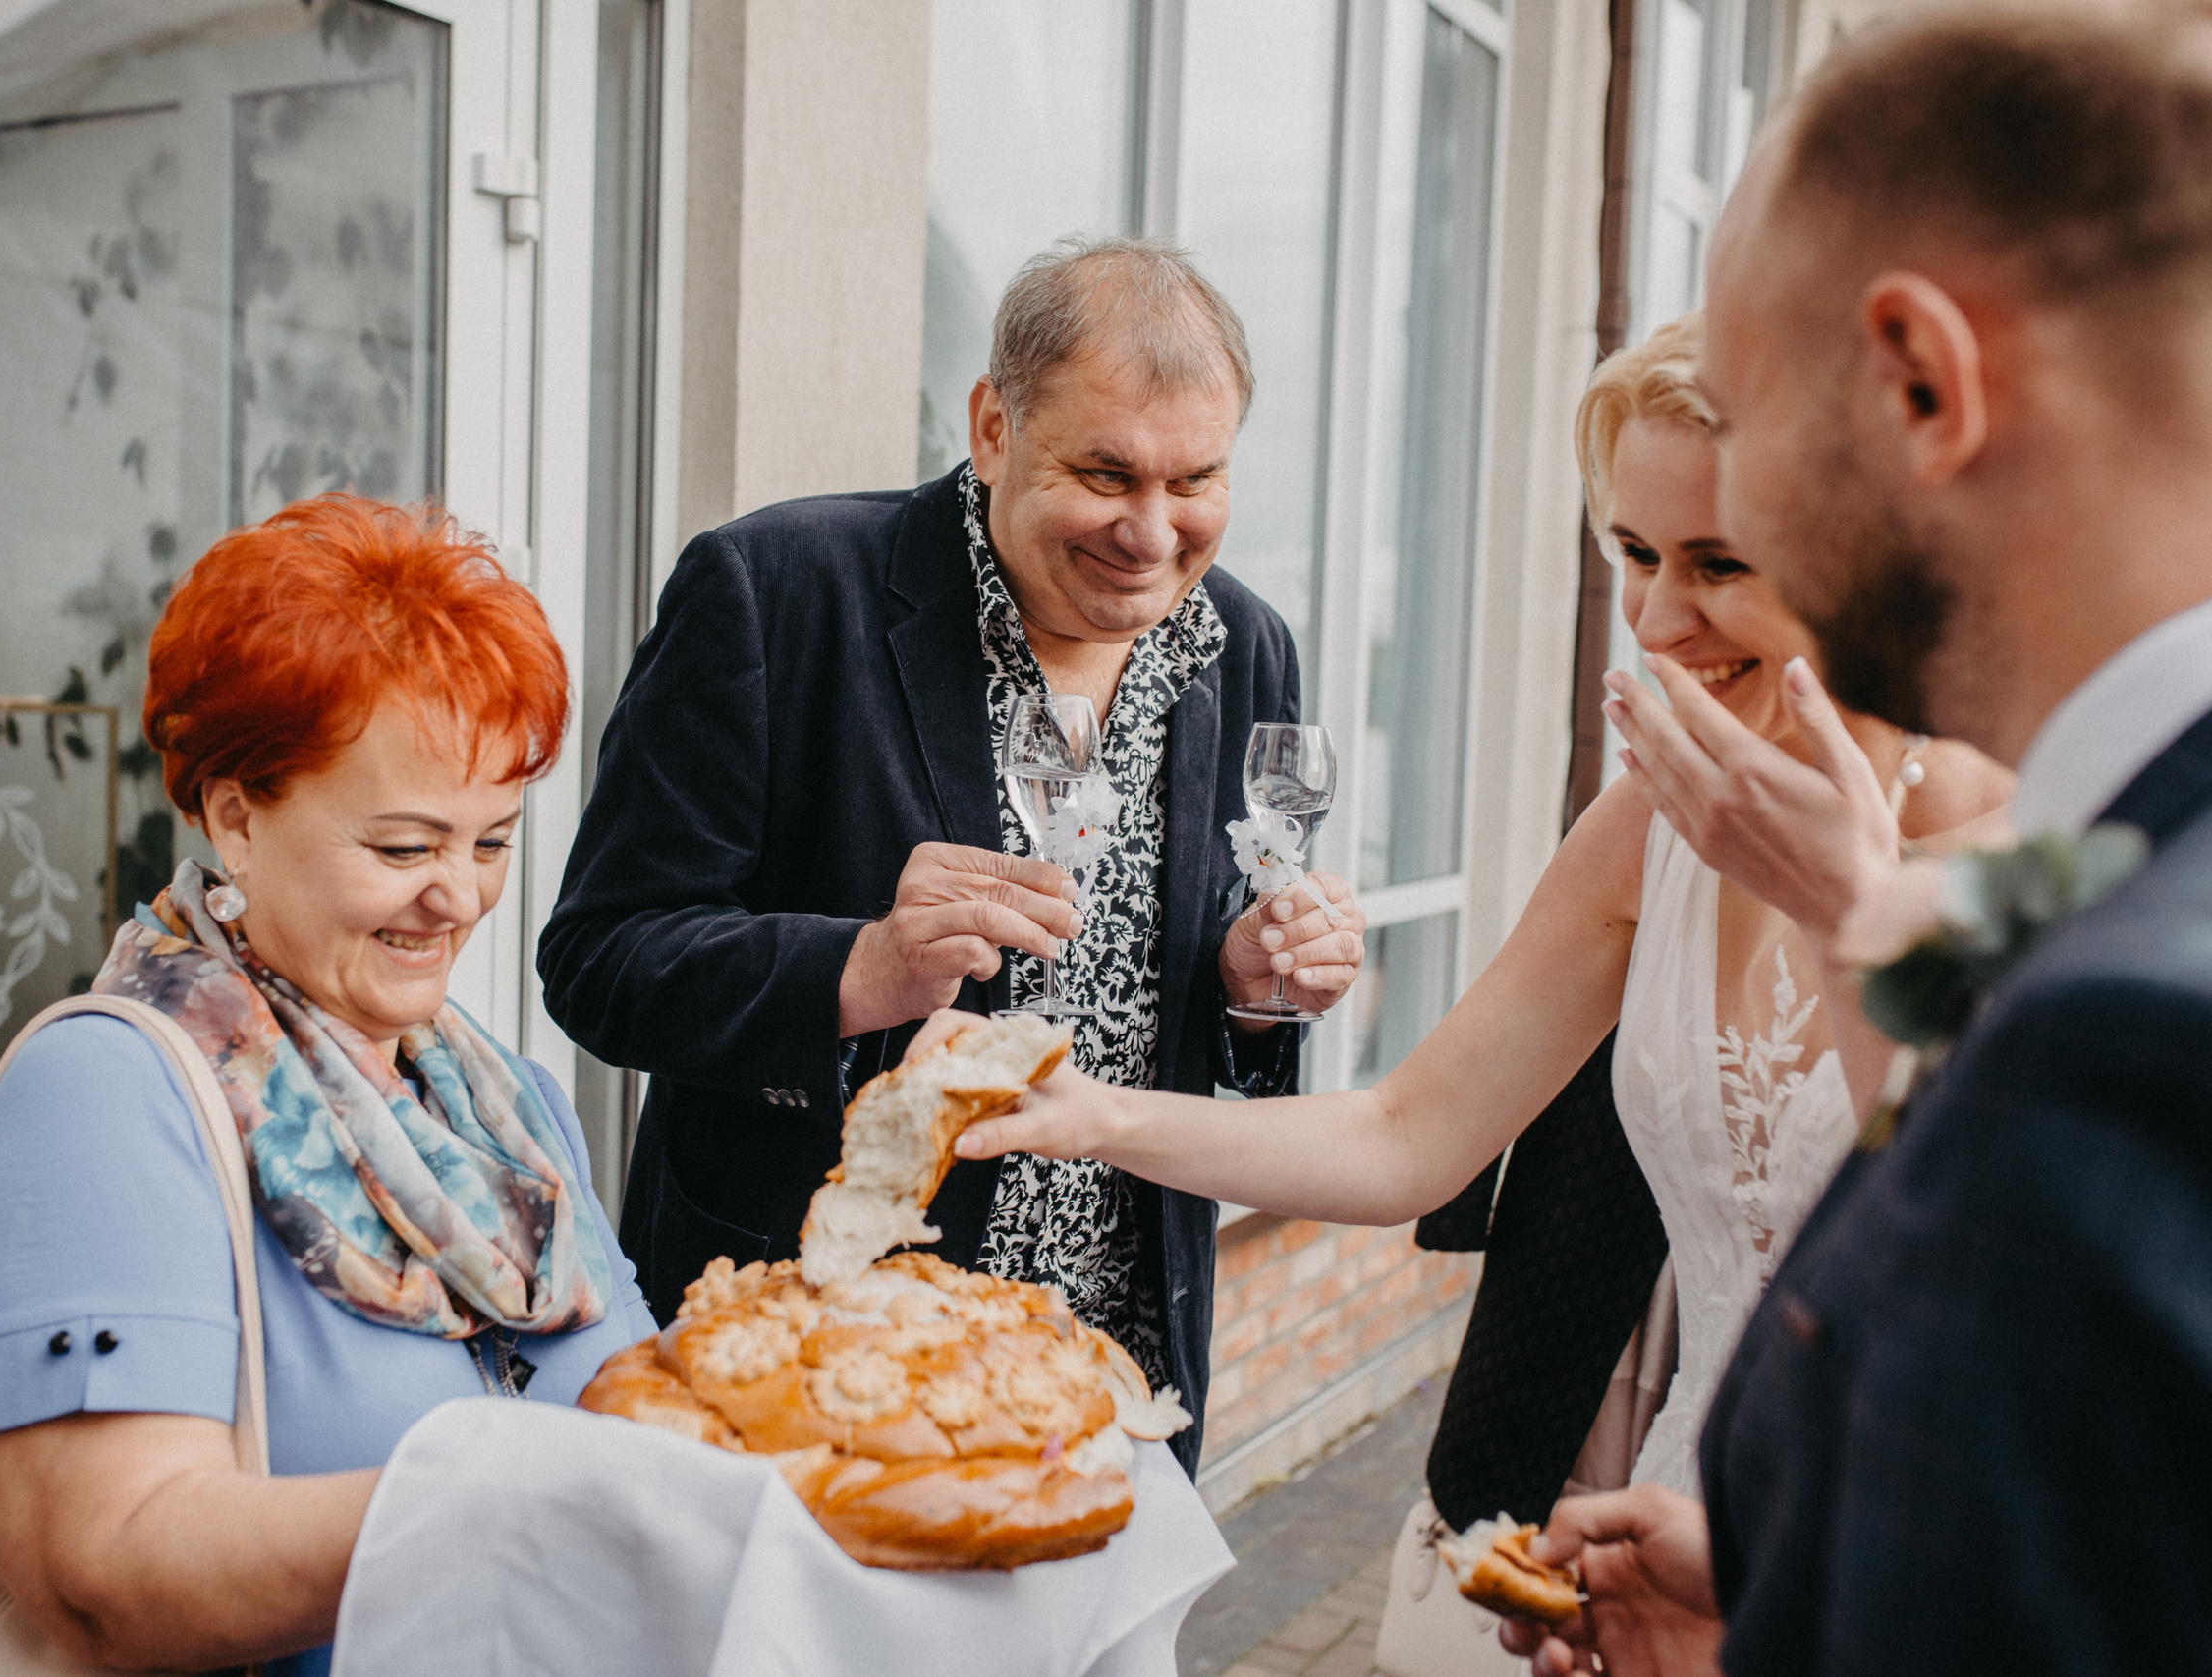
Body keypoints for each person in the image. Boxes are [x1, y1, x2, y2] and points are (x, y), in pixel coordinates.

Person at [930, 311, 2009, 1503]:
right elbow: (1404, 1136)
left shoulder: (2040, 842)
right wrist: (1089, 1114)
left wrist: (1849, 911)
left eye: (1719, 565)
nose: (1657, 624)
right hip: (1683, 1494)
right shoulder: (1645, 825)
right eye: (1635, 553)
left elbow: (2005, 1249)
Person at [1499, 8, 2212, 1674]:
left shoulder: (2125, 1039)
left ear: (1921, 384)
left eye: (1750, 416)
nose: (1680, 593)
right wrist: (1785, 1587)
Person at [537, 236, 1366, 1464]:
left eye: (1195, 480)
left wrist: (1252, 993)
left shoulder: (1247, 645)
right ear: (992, 427)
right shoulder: (774, 589)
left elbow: (1208, 1038)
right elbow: (600, 959)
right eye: (1105, 474)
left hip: (1110, 1380)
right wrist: (855, 968)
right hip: (821, 1359)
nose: (1152, 534)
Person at [0, 495, 656, 1675]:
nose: (459, 897)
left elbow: (654, 1425)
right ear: (236, 819)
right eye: (404, 847)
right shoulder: (108, 1092)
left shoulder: (510, 1108)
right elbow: (107, 1571)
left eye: (491, 842)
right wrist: (498, 1496)